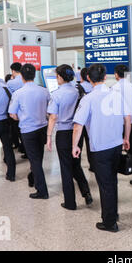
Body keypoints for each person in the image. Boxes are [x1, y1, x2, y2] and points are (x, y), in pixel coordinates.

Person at [72, 63, 131, 232]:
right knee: (112, 181)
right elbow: (127, 118)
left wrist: (75, 146)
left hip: (100, 148)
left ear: (88, 78)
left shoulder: (88, 98)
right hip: (116, 145)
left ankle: (109, 222)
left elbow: (78, 126)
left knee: (105, 184)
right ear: (106, 77)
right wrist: (126, 138)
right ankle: (113, 213)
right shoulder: (117, 95)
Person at [46, 64, 92, 210]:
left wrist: (48, 136)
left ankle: (70, 202)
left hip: (64, 134)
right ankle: (86, 193)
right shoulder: (78, 91)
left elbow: (53, 117)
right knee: (76, 165)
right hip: (77, 133)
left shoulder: (57, 94)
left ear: (60, 77)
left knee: (66, 168)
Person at [9, 63, 51, 199]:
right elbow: (49, 110)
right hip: (42, 128)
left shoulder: (18, 93)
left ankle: (42, 190)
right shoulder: (44, 91)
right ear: (34, 75)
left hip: (28, 130)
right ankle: (33, 178)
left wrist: (21, 117)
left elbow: (12, 114)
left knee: (34, 160)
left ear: (22, 76)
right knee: (38, 156)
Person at [112, 64, 132, 187]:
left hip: (119, 124)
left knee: (115, 152)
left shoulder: (114, 88)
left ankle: (113, 180)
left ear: (116, 74)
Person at [7, 62, 25, 154]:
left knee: (16, 129)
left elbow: (9, 96)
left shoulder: (10, 82)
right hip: (26, 108)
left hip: (16, 110)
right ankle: (25, 149)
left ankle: (19, 145)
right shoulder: (25, 79)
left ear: (13, 71)